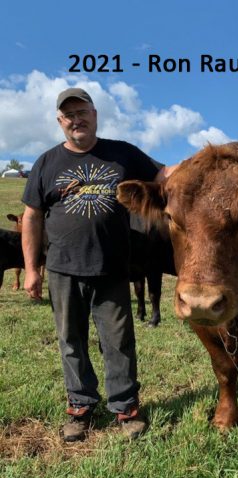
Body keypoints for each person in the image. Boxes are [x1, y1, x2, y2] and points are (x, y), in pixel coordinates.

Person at [22, 88, 177, 442]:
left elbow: (165, 174)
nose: (77, 119)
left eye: (82, 112)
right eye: (69, 115)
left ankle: (126, 409)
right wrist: (32, 268)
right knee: (70, 339)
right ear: (61, 122)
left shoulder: (122, 153)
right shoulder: (46, 162)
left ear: (95, 114)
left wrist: (203, 164)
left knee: (118, 340)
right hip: (62, 268)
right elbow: (32, 217)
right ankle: (80, 408)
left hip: (111, 267)